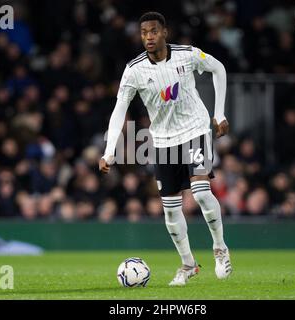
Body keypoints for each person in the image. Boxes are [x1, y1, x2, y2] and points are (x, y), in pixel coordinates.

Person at [99, 12, 232, 286]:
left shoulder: (187, 54)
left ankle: (220, 248)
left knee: (201, 191)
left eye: (153, 31)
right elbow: (118, 110)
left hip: (195, 130)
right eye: (144, 32)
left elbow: (218, 68)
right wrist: (109, 150)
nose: (148, 36)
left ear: (164, 32)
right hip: (162, 141)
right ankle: (188, 265)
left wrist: (218, 114)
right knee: (171, 211)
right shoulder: (134, 69)